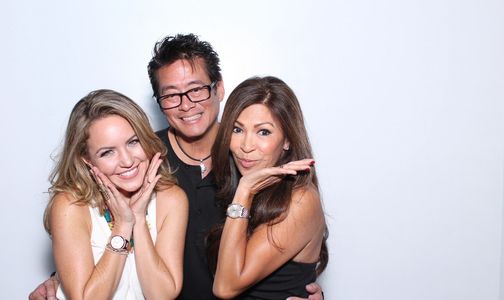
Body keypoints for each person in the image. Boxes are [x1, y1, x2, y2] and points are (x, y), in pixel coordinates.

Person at [29, 34, 324, 300]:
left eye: (196, 90)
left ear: (219, 89)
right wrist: (63, 280)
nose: (186, 104)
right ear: (158, 103)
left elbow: (289, 237)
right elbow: (91, 214)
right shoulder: (142, 159)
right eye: (171, 95)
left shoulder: (250, 159)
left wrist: (298, 284)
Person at [43, 89, 188, 299]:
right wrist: (122, 225)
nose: (127, 161)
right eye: (107, 152)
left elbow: (162, 295)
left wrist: (138, 219)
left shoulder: (171, 199)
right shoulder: (70, 205)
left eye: (133, 142)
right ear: (87, 159)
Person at [207, 76, 328, 299]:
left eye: (263, 132)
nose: (246, 146)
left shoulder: (300, 199)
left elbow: (225, 288)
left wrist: (244, 192)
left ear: (287, 140)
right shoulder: (232, 188)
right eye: (237, 129)